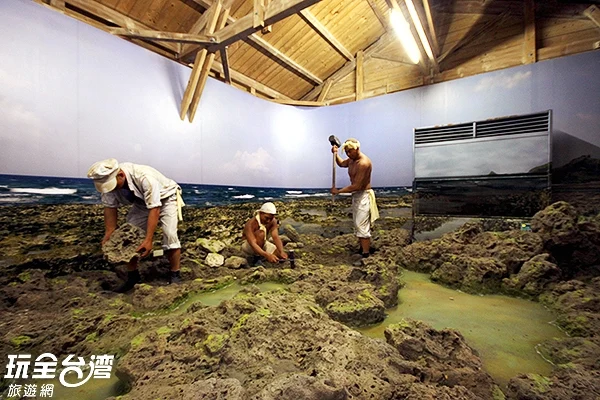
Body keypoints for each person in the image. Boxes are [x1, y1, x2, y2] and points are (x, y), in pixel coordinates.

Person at [87, 158, 185, 291]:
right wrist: (109, 233)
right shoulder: (109, 184)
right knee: (128, 235)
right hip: (141, 202)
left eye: (113, 185)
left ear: (120, 175)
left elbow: (154, 209)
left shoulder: (144, 177)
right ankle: (132, 277)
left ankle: (175, 274)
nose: (113, 189)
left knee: (170, 234)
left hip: (167, 197)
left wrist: (149, 239)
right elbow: (110, 208)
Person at [330, 138, 379, 257]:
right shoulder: (352, 160)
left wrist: (338, 191)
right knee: (357, 224)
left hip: (364, 195)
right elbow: (341, 164)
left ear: (357, 148)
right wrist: (335, 154)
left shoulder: (364, 163)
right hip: (356, 195)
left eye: (350, 151)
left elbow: (357, 185)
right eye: (346, 152)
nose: (348, 154)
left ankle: (366, 254)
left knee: (362, 225)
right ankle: (362, 249)